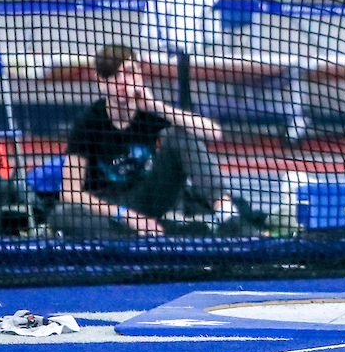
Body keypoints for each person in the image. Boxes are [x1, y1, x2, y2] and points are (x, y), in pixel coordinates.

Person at [47, 44, 261, 238]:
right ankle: (162, 232)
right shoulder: (88, 123)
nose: (123, 81)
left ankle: (229, 218)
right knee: (63, 215)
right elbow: (70, 192)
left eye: (129, 72)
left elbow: (213, 132)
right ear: (101, 82)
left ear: (139, 76)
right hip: (112, 208)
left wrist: (156, 107)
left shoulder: (150, 113)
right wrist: (126, 216)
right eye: (113, 75)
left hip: (151, 196)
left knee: (180, 136)